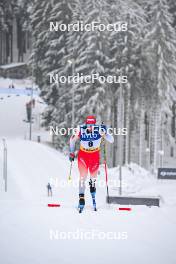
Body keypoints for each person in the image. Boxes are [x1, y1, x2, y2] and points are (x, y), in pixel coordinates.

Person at [69, 115, 114, 213]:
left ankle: (93, 196)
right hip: (83, 156)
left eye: (92, 125)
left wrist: (105, 133)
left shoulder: (99, 129)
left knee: (93, 179)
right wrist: (72, 152)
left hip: (94, 156)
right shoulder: (80, 129)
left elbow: (111, 140)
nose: (90, 127)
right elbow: (72, 140)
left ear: (94, 124)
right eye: (88, 124)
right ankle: (81, 199)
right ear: (86, 123)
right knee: (82, 177)